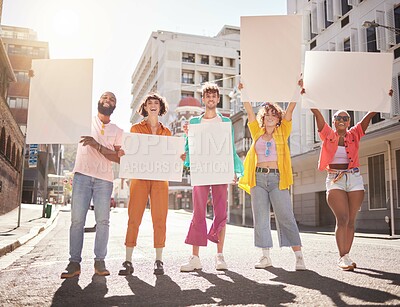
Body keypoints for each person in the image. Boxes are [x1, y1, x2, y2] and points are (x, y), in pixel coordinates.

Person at [238, 82, 306, 271]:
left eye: (273, 114)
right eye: (266, 114)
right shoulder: (256, 132)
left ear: (278, 119)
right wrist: (243, 91)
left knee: (286, 216)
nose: (269, 116)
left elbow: (291, 108)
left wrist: (296, 90)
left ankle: (299, 257)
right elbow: (249, 110)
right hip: (258, 179)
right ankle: (265, 256)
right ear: (263, 118)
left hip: (277, 179)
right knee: (260, 218)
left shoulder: (283, 131)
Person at [180, 82, 244, 272]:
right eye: (207, 95)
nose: (210, 98)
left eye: (214, 95)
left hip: (220, 170)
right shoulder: (193, 123)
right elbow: (188, 147)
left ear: (217, 99)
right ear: (203, 99)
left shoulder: (225, 122)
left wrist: (233, 169)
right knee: (198, 212)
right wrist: (186, 154)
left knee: (221, 212)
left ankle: (219, 256)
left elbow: (229, 148)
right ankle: (195, 258)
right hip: (201, 171)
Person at [61, 91, 123, 279]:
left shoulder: (118, 131)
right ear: (98, 101)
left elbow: (119, 158)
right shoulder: (84, 122)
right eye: (105, 97)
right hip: (82, 176)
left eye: (111, 99)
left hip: (104, 180)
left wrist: (98, 146)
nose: (107, 100)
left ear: (114, 106)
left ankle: (99, 261)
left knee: (103, 222)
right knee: (77, 221)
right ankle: (74, 263)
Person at [118, 93, 172, 276]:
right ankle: (128, 261)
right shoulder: (135, 129)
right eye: (150, 103)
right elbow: (132, 152)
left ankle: (158, 260)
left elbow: (170, 156)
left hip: (160, 179)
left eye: (156, 103)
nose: (153, 105)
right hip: (139, 178)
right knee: (134, 217)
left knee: (160, 218)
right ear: (146, 108)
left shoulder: (167, 132)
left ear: (160, 107)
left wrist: (178, 157)